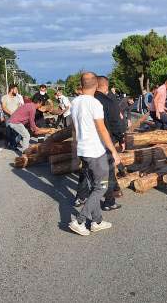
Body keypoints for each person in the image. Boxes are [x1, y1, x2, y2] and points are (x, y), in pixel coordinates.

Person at [68, 72, 121, 236]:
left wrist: (76, 149)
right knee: (102, 187)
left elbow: (75, 128)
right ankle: (80, 220)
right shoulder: (95, 103)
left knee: (94, 187)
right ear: (96, 85)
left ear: (81, 85)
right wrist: (113, 150)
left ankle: (97, 221)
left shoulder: (75, 102)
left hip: (83, 150)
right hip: (95, 151)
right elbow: (102, 129)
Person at [75, 75, 124, 211]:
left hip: (83, 145)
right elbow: (108, 126)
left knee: (86, 172)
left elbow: (74, 127)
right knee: (106, 175)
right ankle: (108, 202)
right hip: (101, 144)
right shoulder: (104, 102)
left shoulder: (77, 101)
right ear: (103, 86)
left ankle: (81, 197)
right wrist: (119, 142)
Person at [2, 84, 24, 149]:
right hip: (8, 117)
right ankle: (8, 143)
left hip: (16, 117)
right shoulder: (5, 97)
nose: (17, 91)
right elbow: (4, 107)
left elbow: (18, 107)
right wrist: (11, 113)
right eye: (16, 89)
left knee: (15, 131)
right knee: (9, 131)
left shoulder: (17, 98)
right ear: (11, 89)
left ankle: (14, 145)